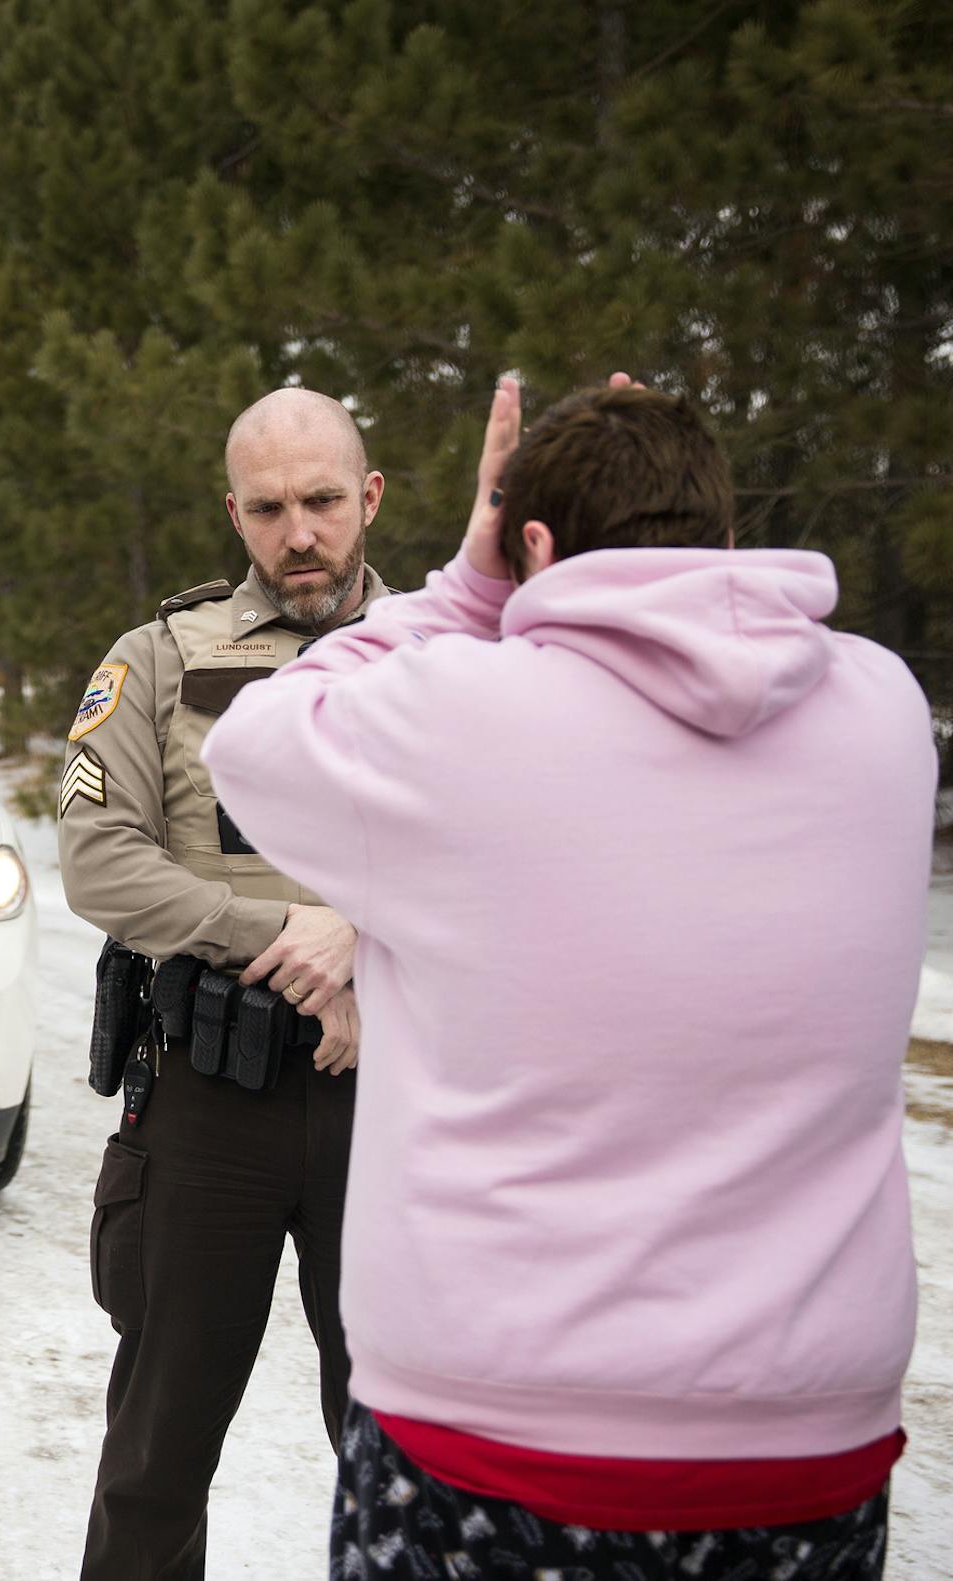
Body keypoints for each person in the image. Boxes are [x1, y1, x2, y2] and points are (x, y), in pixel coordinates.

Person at [205, 375, 926, 1575]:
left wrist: (469, 585)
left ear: (531, 540)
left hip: (492, 1440)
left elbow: (257, 742)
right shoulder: (884, 711)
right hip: (810, 1441)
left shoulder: (459, 720)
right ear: (729, 531)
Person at [59, 387, 390, 1580]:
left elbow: (512, 856)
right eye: (268, 508)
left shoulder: (447, 662)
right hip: (209, 1102)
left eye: (321, 502)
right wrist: (277, 934)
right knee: (157, 1456)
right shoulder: (157, 659)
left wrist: (362, 931)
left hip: (398, 1109)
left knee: (405, 1453)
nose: (298, 532)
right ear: (234, 513)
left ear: (371, 498)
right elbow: (101, 862)